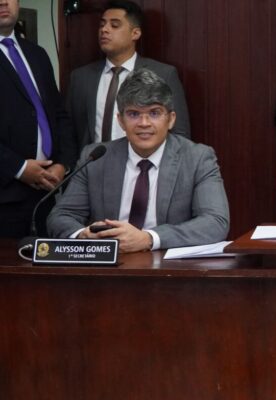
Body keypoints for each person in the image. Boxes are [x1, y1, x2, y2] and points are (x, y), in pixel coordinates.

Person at [48, 68, 228, 252]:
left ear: (171, 119)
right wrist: (84, 235)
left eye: (154, 113)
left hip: (167, 264)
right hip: (110, 261)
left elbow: (215, 222)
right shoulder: (96, 158)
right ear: (120, 120)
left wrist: (149, 238)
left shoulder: (197, 158)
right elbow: (60, 216)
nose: (144, 123)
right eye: (134, 114)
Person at [66, 0, 190, 152]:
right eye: (102, 24)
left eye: (114, 25)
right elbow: (68, 132)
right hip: (93, 163)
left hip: (145, 164)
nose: (104, 30)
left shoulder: (163, 74)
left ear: (135, 33)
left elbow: (180, 133)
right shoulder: (80, 77)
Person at [0, 0, 76, 238]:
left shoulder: (37, 54)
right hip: (5, 195)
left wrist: (63, 164)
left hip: (46, 194)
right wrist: (20, 168)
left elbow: (58, 114)